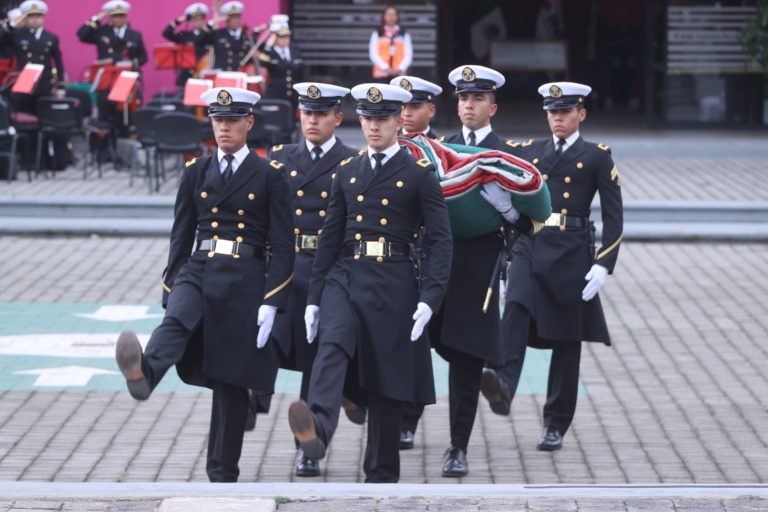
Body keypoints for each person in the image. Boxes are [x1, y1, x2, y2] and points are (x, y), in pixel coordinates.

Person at [114, 87, 295, 482]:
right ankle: (145, 375)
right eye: (217, 120)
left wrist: (273, 300)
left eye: (232, 120)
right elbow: (181, 234)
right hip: (198, 265)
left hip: (245, 275)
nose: (224, 128)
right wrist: (171, 287)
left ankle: (222, 470)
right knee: (177, 319)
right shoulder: (196, 170)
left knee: (230, 379)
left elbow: (283, 244)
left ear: (249, 122)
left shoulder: (269, 176)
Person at [287, 83, 452, 483]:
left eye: (382, 119)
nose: (374, 127)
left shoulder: (418, 174)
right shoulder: (348, 171)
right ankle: (318, 430)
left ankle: (381, 474)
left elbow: (439, 238)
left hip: (393, 278)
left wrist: (431, 297)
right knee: (332, 344)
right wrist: (314, 297)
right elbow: (330, 237)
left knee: (385, 379)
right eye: (368, 119)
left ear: (398, 121)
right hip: (346, 274)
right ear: (359, 120)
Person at [480, 82, 623, 452]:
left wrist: (604, 264)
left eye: (564, 112)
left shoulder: (597, 156)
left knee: (566, 339)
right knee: (515, 307)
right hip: (531, 244)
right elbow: (486, 150)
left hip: (572, 251)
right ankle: (505, 384)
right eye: (552, 112)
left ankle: (555, 423)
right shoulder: (531, 151)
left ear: (581, 114)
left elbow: (614, 216)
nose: (557, 118)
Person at [249, 82, 356, 478]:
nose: (312, 120)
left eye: (321, 113)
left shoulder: (351, 161)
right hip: (285, 263)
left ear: (337, 119)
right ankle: (252, 399)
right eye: (307, 113)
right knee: (265, 332)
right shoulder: (280, 158)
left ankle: (308, 449)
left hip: (325, 269)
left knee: (316, 358)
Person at [426, 64, 521, 477]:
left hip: (479, 266)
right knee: (412, 344)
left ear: (492, 107)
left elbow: (532, 219)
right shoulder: (439, 149)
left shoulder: (508, 154)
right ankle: (404, 422)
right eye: (463, 98)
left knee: (464, 361)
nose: (468, 105)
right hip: (435, 265)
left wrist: (506, 208)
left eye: (478, 98)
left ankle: (457, 446)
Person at [0, 1, 65, 115]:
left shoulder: (51, 37)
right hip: (23, 80)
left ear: (43, 17)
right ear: (25, 18)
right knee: (21, 116)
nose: (35, 19)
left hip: (44, 82)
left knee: (43, 114)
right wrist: (11, 25)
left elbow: (58, 63)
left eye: (38, 16)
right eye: (31, 16)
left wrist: (61, 86)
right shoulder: (17, 34)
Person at [77, 1, 147, 71]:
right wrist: (97, 19)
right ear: (110, 17)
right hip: (106, 74)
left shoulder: (135, 35)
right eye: (115, 16)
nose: (119, 19)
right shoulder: (102, 32)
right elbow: (82, 35)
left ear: (126, 16)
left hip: (127, 73)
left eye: (122, 15)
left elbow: (143, 57)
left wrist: (132, 63)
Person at [161, 2, 212, 87]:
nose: (198, 22)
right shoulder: (185, 35)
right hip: (186, 75)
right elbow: (166, 33)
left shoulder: (208, 34)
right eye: (195, 19)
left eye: (201, 19)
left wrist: (209, 27)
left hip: (202, 75)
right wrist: (178, 21)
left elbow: (198, 39)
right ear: (190, 21)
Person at [258, 19, 303, 108]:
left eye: (287, 36)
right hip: (275, 94)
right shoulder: (271, 52)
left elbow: (300, 70)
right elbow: (262, 63)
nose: (285, 39)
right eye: (281, 37)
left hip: (293, 95)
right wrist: (268, 46)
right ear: (276, 38)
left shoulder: (294, 50)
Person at [199, 1, 253, 72]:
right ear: (226, 20)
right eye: (232, 18)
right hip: (222, 75)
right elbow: (200, 40)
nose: (235, 21)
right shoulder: (218, 34)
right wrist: (212, 23)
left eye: (237, 17)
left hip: (241, 75)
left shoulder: (247, 35)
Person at [369, 4, 412, 81]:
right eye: (388, 14)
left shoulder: (403, 33)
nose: (391, 17)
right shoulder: (378, 33)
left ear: (397, 16)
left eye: (393, 14)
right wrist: (385, 67)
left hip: (399, 75)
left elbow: (409, 54)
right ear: (384, 16)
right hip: (381, 75)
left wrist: (400, 68)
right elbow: (373, 54)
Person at [391, 75, 441, 139]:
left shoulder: (442, 147)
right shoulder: (387, 145)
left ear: (431, 110)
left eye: (415, 107)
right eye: (402, 107)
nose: (406, 114)